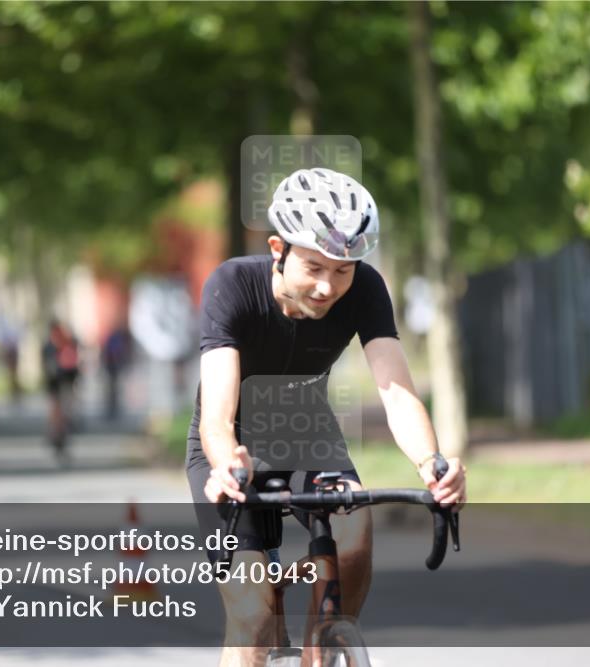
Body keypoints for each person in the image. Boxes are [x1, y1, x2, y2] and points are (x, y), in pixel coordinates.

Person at [186, 167, 467, 665]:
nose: (327, 287)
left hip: (308, 433)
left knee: (355, 537)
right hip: (233, 448)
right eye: (314, 267)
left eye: (342, 270)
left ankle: (326, 648)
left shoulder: (365, 289)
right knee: (253, 617)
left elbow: (397, 392)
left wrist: (432, 465)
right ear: (279, 250)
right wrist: (227, 464)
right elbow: (216, 415)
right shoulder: (232, 285)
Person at [42, 319, 79, 464]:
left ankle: (61, 440)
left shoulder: (68, 345)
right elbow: (47, 369)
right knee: (56, 414)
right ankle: (55, 438)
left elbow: (74, 367)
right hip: (54, 387)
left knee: (65, 415)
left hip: (67, 386)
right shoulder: (48, 348)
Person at [101, 326, 132, 421]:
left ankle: (113, 408)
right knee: (112, 389)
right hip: (112, 367)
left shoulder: (115, 338)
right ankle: (112, 409)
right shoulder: (116, 339)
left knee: (113, 389)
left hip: (113, 367)